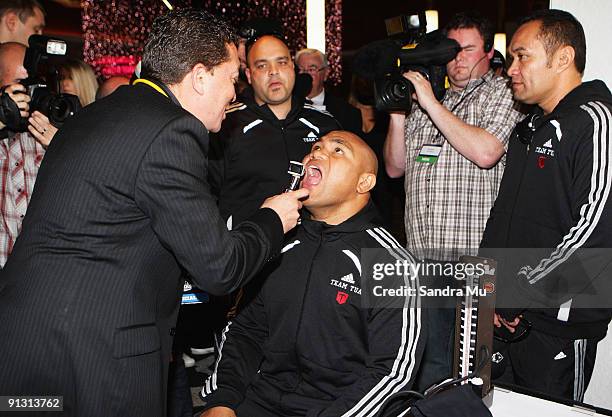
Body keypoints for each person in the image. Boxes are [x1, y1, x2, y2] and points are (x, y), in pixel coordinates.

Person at [0, 9, 307, 417]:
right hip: (93, 359)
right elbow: (219, 268)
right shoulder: (171, 131)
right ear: (200, 77)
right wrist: (272, 219)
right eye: (232, 79)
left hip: (22, 343)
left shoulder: (97, 114)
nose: (235, 94)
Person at [200, 131, 424, 417]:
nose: (316, 153)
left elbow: (393, 373)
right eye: (316, 147)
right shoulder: (277, 243)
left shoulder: (390, 263)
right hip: (261, 399)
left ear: (364, 182)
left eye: (338, 150)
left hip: (341, 409)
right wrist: (222, 401)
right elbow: (244, 331)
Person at [383, 11, 523, 390]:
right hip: (423, 262)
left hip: (472, 265)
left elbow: (486, 152)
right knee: (426, 373)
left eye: (467, 49)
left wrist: (429, 103)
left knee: (469, 378)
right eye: (451, 50)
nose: (457, 58)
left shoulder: (502, 92)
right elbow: (395, 168)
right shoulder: (433, 100)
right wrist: (399, 113)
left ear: (489, 52)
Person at [481, 9, 612, 402]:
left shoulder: (595, 121)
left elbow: (597, 230)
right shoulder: (529, 128)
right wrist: (493, 291)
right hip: (504, 317)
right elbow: (502, 220)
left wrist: (520, 292)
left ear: (562, 59)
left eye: (523, 56)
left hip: (557, 324)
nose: (511, 69)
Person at [209, 34, 340, 229]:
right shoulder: (225, 126)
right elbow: (203, 199)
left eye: (282, 62)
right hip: (248, 251)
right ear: (248, 75)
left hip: (315, 251)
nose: (273, 72)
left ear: (292, 68)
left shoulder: (325, 125)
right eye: (262, 65)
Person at [0, 42, 46, 268]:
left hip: (30, 280)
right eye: (19, 85)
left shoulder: (41, 133)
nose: (26, 95)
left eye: (31, 85)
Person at [28, 58, 99, 145]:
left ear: (84, 82)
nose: (64, 83)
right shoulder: (52, 115)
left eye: (71, 78)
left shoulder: (97, 121)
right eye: (61, 78)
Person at [295, 48, 362, 134]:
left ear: (326, 73)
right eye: (301, 70)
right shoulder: (286, 107)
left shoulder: (347, 113)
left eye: (312, 69)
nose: (305, 75)